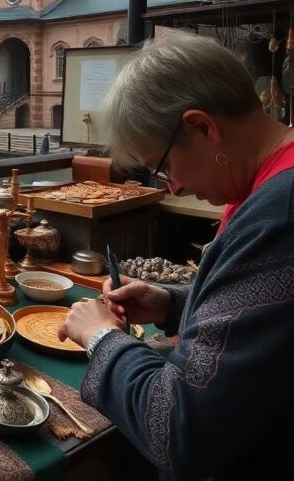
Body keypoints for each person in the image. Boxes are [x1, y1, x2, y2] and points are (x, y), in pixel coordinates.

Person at [58, 30, 294, 481]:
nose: (176, 187)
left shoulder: (278, 218)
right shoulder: (270, 188)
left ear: (202, 127)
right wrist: (173, 304)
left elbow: (180, 431)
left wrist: (101, 338)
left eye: (165, 167)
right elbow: (267, 328)